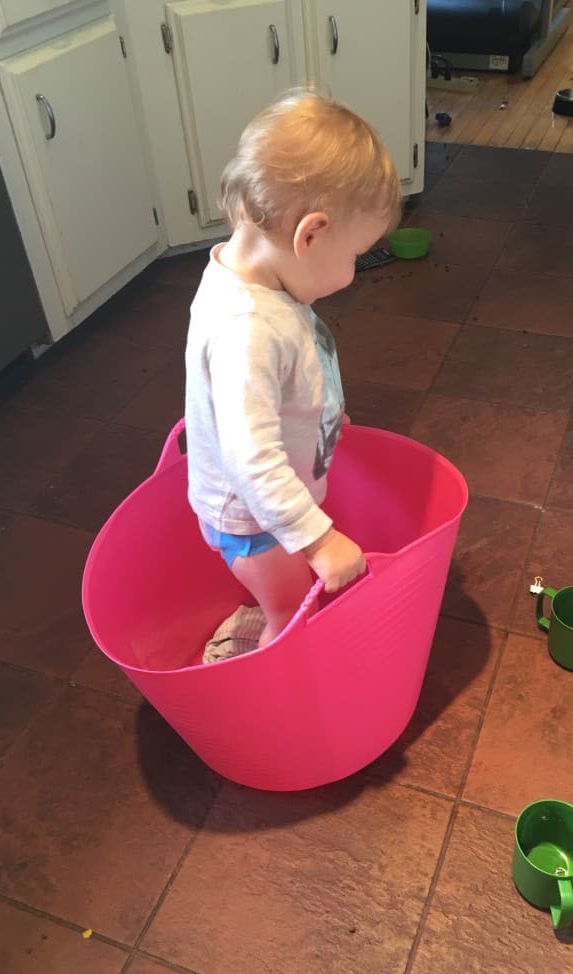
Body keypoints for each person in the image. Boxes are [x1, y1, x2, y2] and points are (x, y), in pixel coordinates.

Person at [184, 87, 402, 658]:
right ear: (311, 235)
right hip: (254, 520)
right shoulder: (247, 329)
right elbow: (251, 455)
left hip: (266, 505)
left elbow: (277, 387)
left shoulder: (257, 278)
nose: (355, 271)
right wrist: (320, 538)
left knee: (292, 592)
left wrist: (317, 415)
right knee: (288, 607)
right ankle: (269, 684)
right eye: (356, 254)